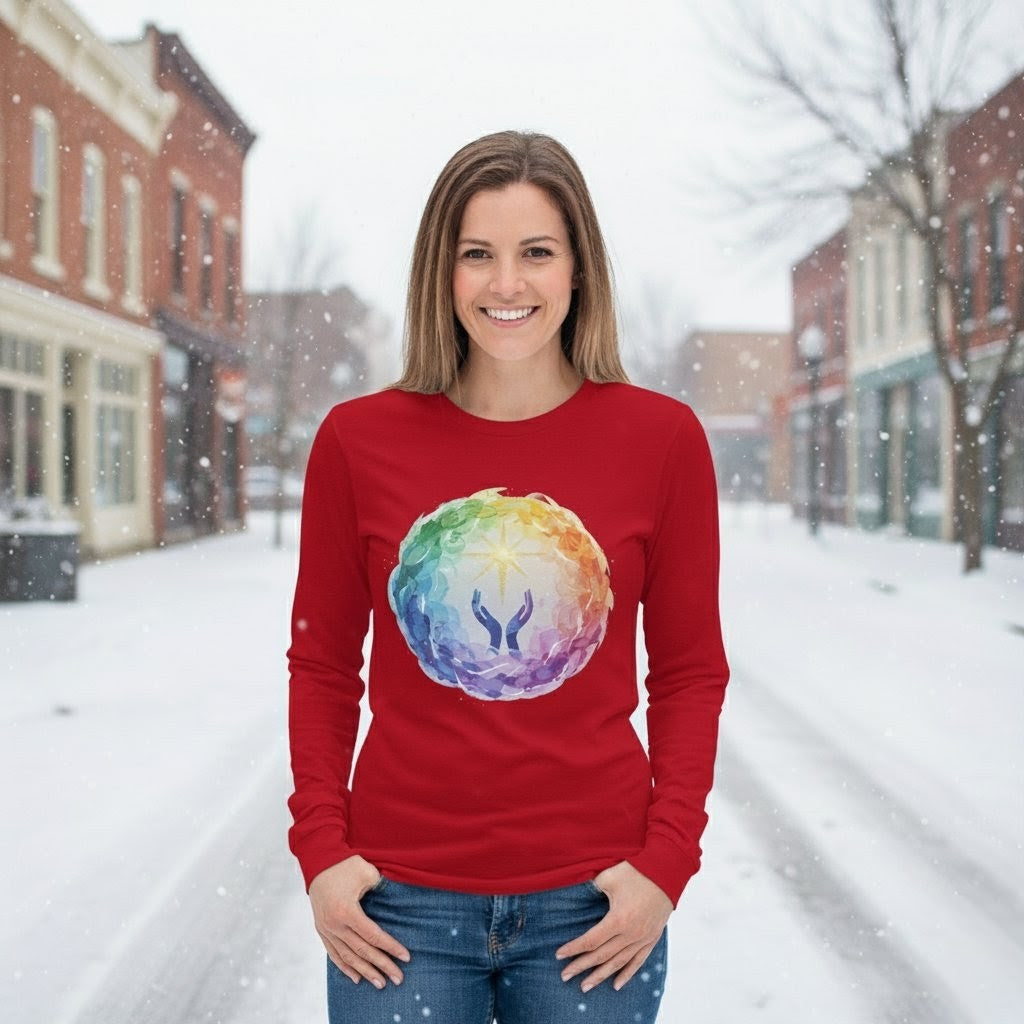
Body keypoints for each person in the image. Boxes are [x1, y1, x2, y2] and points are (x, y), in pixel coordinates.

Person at [286, 130, 730, 1024]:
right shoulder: (357, 441)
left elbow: (689, 672)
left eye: (536, 252)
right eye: (477, 255)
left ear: (577, 270)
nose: (506, 284)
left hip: (595, 907)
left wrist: (664, 866)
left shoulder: (663, 441)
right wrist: (323, 854)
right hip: (399, 905)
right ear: (441, 275)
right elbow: (325, 665)